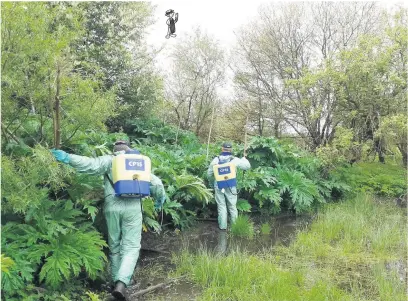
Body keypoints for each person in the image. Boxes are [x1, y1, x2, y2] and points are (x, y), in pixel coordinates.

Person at [51, 140, 166, 300]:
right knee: (131, 246)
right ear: (128, 150)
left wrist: (66, 157)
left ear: (115, 151)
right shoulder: (137, 163)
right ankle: (123, 282)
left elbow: (88, 164)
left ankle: (114, 282)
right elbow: (157, 184)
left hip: (112, 208)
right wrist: (160, 199)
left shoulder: (109, 160)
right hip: (133, 209)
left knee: (115, 246)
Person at [207, 142, 250, 230]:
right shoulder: (235, 160)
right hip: (231, 185)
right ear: (231, 150)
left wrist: (213, 183)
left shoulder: (216, 160)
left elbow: (209, 174)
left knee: (221, 206)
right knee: (232, 206)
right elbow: (247, 166)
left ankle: (223, 227)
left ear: (222, 149)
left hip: (219, 185)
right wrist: (244, 159)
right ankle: (235, 227)